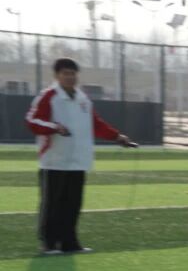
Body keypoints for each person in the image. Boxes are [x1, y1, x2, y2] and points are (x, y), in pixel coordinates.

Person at [25, 57, 135, 255]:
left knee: (73, 205)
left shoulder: (83, 99)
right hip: (54, 161)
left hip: (78, 161)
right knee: (52, 205)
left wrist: (117, 137)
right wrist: (55, 127)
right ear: (57, 75)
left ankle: (70, 243)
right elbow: (32, 121)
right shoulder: (49, 96)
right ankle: (49, 244)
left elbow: (96, 124)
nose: (70, 77)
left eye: (73, 73)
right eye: (65, 73)